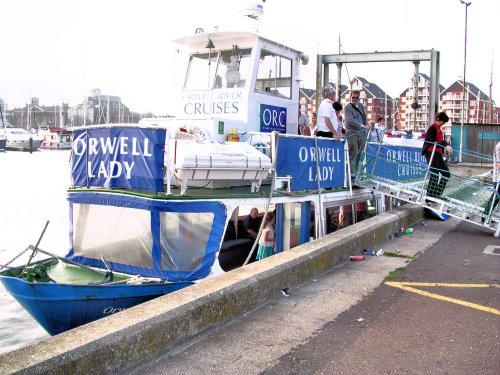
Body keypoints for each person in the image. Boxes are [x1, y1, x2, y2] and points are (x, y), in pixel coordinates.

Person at [421, 112, 452, 199]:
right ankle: (430, 195)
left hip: (438, 154)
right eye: (443, 121)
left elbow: (441, 141)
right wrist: (444, 146)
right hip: (431, 153)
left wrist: (447, 145)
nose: (443, 124)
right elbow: (434, 142)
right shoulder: (432, 128)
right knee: (435, 174)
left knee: (446, 173)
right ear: (438, 119)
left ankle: (437, 194)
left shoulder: (439, 129)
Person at [345, 90, 369, 172]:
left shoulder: (361, 106)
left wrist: (366, 125)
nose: (355, 99)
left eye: (356, 97)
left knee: (360, 154)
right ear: (350, 97)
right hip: (351, 133)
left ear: (359, 98)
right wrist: (362, 125)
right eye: (353, 97)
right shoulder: (347, 107)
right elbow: (350, 120)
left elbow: (364, 117)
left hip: (361, 133)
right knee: (353, 153)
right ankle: (352, 175)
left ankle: (358, 173)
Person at [482, 141, 500, 222]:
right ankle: (485, 215)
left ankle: (486, 214)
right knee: (496, 196)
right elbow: (498, 163)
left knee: (496, 197)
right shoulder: (499, 147)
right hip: (498, 176)